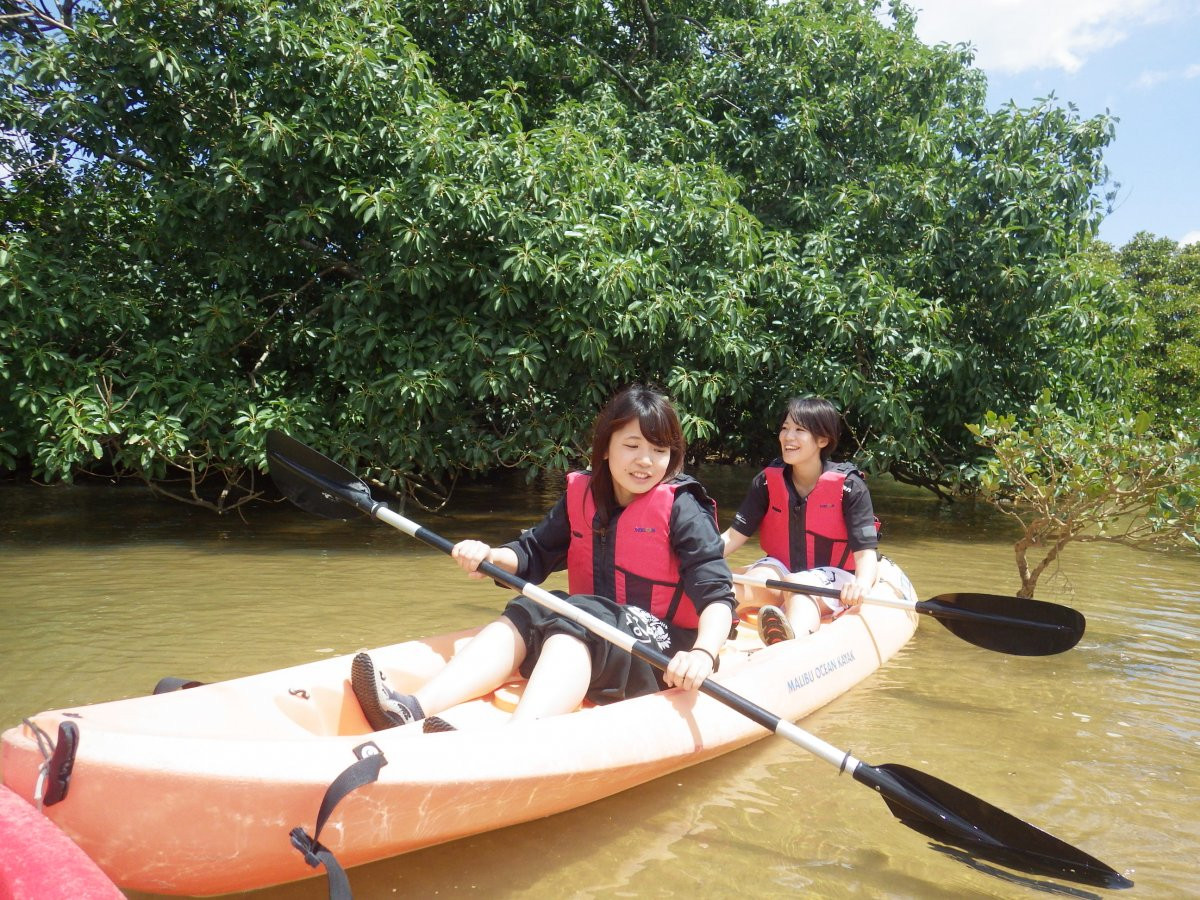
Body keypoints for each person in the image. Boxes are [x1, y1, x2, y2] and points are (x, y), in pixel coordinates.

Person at [351, 384, 737, 731]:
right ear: (606, 448)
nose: (646, 461)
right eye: (632, 445)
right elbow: (534, 552)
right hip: (597, 629)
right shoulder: (584, 497)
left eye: (659, 451)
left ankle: (521, 737)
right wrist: (491, 556)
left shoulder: (684, 509)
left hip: (662, 652)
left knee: (580, 613)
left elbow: (717, 595)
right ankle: (412, 709)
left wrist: (702, 652)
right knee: (533, 605)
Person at [721, 396, 910, 644]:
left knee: (797, 586)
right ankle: (709, 626)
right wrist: (695, 560)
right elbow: (733, 536)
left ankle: (790, 641)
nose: (788, 437)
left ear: (822, 440)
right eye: (785, 428)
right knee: (746, 583)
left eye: (799, 430)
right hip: (782, 566)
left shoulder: (850, 487)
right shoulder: (767, 482)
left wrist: (862, 584)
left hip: (833, 576)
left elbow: (865, 552)